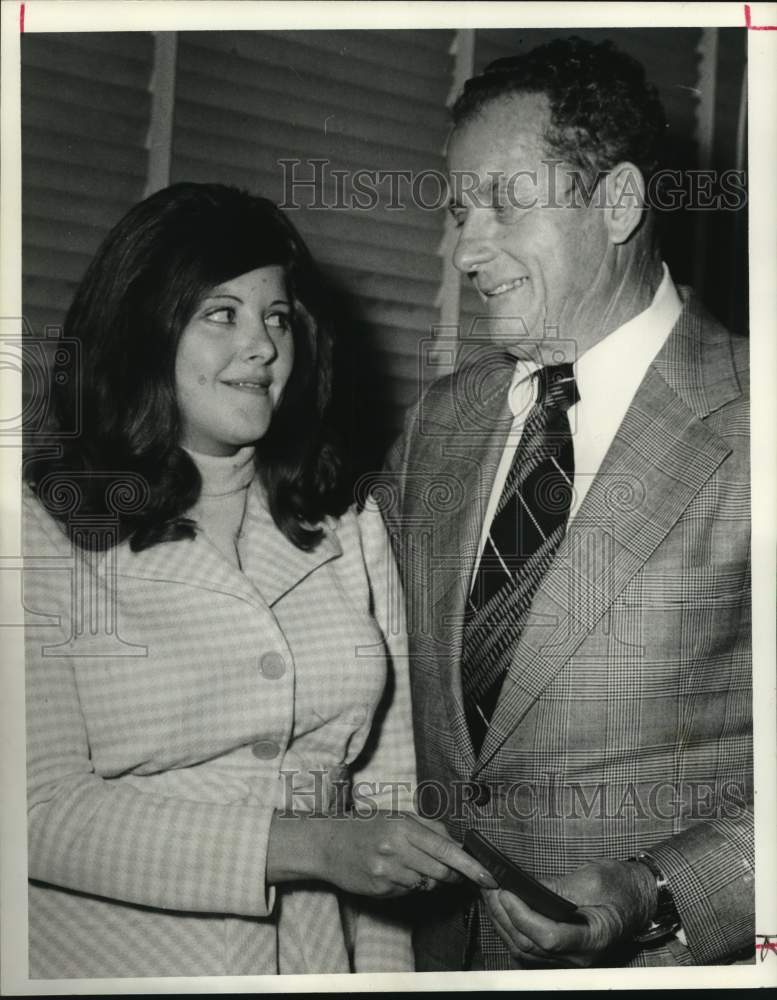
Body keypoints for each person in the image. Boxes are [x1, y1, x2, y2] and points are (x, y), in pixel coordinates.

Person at [22, 182, 494, 979]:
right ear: (144, 330)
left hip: (313, 963)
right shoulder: (42, 529)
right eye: (221, 314)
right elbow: (33, 812)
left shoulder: (348, 523)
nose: (262, 346)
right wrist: (303, 846)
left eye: (276, 317)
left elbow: (381, 809)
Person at [378, 38, 752, 970]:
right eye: (459, 209)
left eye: (504, 202)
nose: (465, 248)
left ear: (617, 203)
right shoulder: (441, 421)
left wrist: (653, 889)